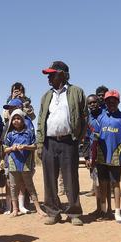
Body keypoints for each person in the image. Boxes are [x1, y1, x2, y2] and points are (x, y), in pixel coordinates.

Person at [36, 61, 87, 226]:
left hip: (68, 142)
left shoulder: (77, 92)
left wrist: (78, 139)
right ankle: (53, 212)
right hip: (49, 142)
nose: (49, 78)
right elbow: (40, 121)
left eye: (52, 74)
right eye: (48, 75)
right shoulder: (46, 96)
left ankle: (74, 213)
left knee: (71, 178)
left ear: (62, 74)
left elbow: (85, 118)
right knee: (49, 179)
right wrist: (39, 143)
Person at [90, 90, 121, 223]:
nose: (111, 103)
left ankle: (117, 212)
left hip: (116, 155)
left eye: (114, 101)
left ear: (118, 102)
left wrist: (120, 142)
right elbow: (95, 136)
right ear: (105, 102)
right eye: (108, 101)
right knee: (103, 184)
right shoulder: (101, 118)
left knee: (116, 184)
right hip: (101, 155)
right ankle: (105, 212)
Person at [4, 109, 46, 217]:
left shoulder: (29, 133)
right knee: (13, 186)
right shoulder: (10, 134)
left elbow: (35, 146)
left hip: (26, 163)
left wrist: (25, 147)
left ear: (23, 120)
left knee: (29, 186)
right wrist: (12, 148)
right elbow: (4, 149)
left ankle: (38, 208)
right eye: (13, 119)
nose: (16, 121)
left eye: (18, 118)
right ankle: (15, 209)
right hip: (13, 163)